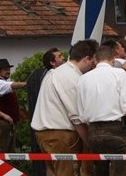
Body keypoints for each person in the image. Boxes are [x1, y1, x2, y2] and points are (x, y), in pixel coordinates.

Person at [31, 39, 98, 176]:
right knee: (68, 173)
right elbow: (76, 117)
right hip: (61, 135)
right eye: (93, 62)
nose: (94, 66)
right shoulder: (71, 77)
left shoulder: (56, 73)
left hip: (45, 134)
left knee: (53, 171)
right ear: (86, 59)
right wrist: (90, 143)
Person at [78, 44, 126, 176]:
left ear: (95, 60)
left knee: (99, 172)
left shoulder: (83, 79)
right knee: (121, 172)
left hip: (94, 132)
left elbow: (81, 115)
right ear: (113, 60)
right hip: (117, 130)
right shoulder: (120, 74)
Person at [26, 47, 64, 176]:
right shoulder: (56, 76)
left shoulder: (45, 77)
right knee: (62, 167)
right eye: (60, 56)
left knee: (50, 167)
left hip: (42, 130)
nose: (63, 58)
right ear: (52, 63)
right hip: (55, 129)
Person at [0, 58, 26, 152]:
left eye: (8, 69)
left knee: (9, 151)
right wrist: (26, 83)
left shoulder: (3, 82)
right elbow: (10, 86)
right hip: (2, 123)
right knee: (3, 150)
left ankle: (7, 165)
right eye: (5, 69)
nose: (8, 71)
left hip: (8, 123)